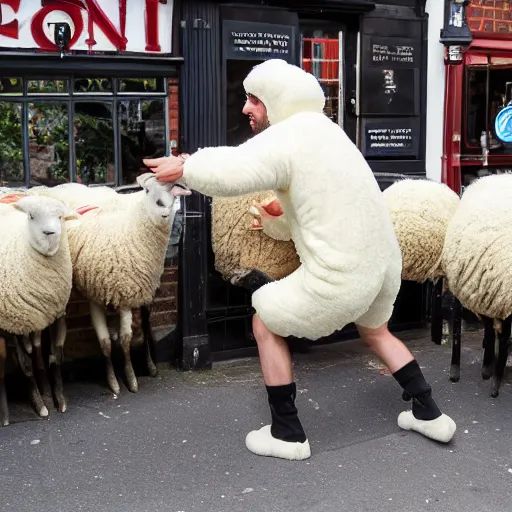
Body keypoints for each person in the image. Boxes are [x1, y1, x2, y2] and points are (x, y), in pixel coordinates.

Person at [143, 59, 456, 461]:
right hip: (382, 267)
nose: (245, 108)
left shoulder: (289, 136)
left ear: (275, 100)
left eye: (254, 99)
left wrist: (185, 166)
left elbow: (236, 169)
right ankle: (429, 413)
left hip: (343, 274)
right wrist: (277, 217)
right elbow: (310, 207)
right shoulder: (328, 132)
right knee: (376, 331)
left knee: (264, 318)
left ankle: (287, 432)